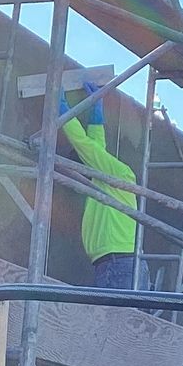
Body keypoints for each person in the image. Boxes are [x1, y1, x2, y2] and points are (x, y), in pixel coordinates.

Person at [59, 80, 140, 290]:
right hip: (118, 264)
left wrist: (62, 110)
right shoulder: (105, 180)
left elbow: (85, 147)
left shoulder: (120, 173)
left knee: (114, 321)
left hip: (117, 264)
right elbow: (96, 148)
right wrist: (97, 113)